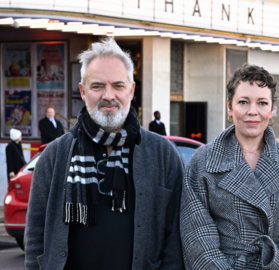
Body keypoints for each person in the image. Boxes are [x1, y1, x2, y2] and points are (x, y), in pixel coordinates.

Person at [24, 37, 184, 270]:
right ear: (83, 91)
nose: (108, 95)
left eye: (117, 85)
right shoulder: (54, 156)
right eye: (97, 86)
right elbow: (35, 234)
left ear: (131, 90)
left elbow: (175, 238)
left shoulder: (164, 155)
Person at [181, 64, 279, 269]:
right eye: (243, 102)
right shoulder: (203, 161)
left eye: (262, 103)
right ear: (229, 106)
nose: (252, 111)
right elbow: (197, 237)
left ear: (272, 110)